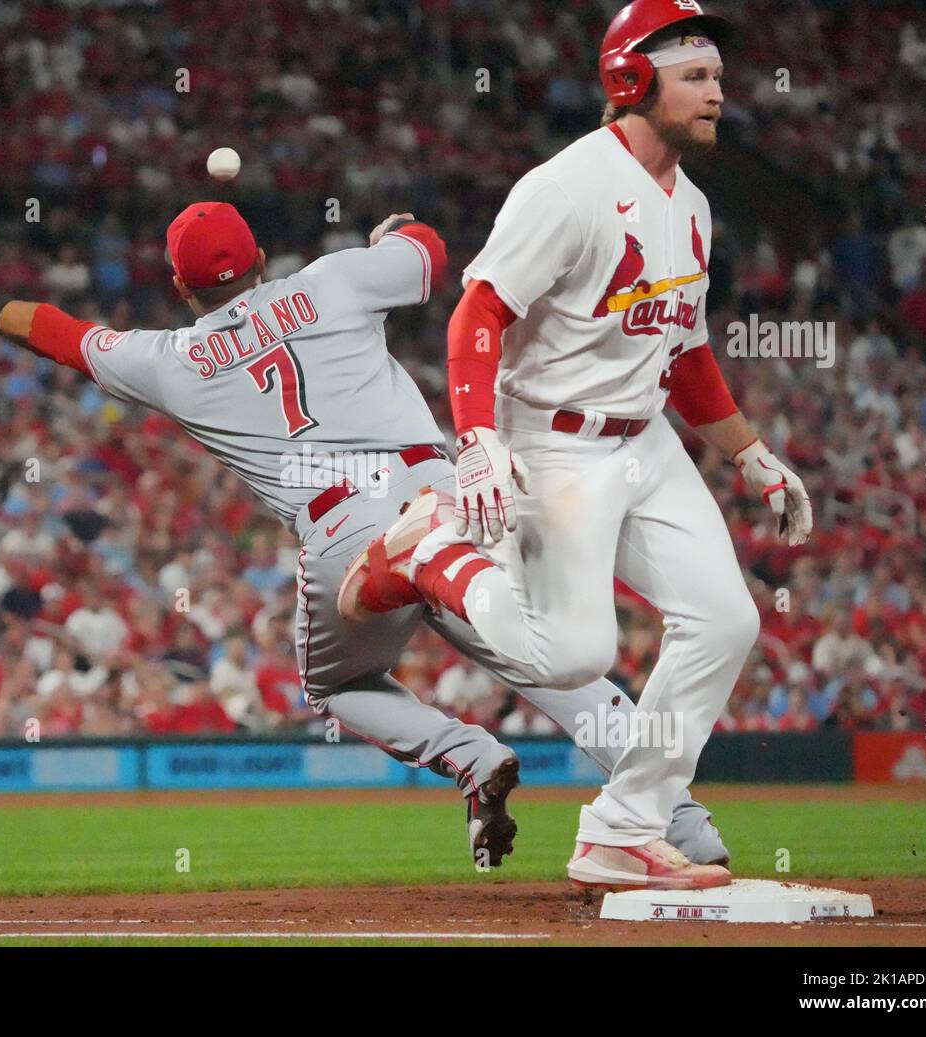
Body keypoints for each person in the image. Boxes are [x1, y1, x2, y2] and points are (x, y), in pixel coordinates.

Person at [0, 198, 728, 869]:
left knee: (336, 686)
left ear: (185, 291)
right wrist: (396, 233)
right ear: (259, 262)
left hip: (346, 533)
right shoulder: (333, 281)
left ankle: (468, 754)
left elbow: (64, 338)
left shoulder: (171, 360)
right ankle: (680, 819)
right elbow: (434, 254)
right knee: (547, 652)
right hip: (444, 493)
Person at [340, 0, 810, 889]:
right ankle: (433, 551)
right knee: (574, 656)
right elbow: (480, 312)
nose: (718, 93)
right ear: (632, 79)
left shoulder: (696, 208)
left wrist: (748, 451)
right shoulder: (567, 187)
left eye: (718, 77)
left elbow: (689, 351)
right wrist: (477, 441)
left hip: (649, 440)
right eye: (697, 76)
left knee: (727, 619)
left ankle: (624, 827)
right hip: (554, 446)